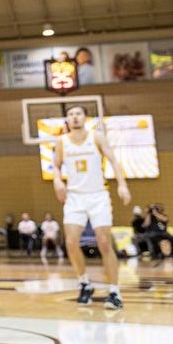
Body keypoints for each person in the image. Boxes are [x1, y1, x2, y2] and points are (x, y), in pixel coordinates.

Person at [53, 103, 131, 310]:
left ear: (85, 117)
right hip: (75, 197)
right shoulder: (62, 141)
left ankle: (114, 291)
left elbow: (113, 160)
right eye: (70, 114)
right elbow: (56, 166)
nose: (74, 117)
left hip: (98, 196)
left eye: (78, 113)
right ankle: (85, 283)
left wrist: (122, 185)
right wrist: (58, 182)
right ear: (67, 120)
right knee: (70, 242)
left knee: (104, 243)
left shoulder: (96, 137)